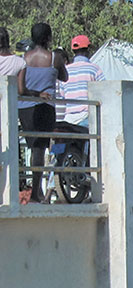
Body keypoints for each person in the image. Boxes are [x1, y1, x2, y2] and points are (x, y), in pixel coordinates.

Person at [16, 23, 68, 203]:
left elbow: (20, 84)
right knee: (40, 149)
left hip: (24, 107)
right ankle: (36, 191)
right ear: (48, 38)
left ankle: (34, 190)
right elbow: (64, 77)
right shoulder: (55, 58)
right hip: (45, 106)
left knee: (32, 147)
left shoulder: (24, 58)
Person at [61, 35, 102, 127]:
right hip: (87, 117)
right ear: (87, 49)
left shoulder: (66, 70)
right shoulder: (94, 69)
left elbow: (62, 95)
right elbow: (103, 92)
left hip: (69, 118)